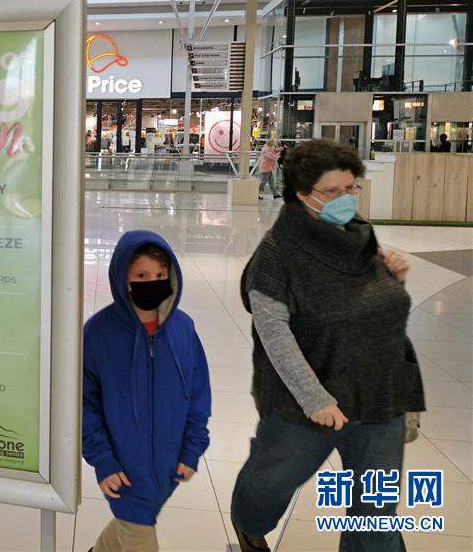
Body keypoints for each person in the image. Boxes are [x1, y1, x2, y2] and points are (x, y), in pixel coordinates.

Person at [230, 139, 425, 552]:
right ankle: (248, 525)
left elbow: (370, 306)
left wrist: (394, 283)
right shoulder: (276, 255)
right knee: (269, 487)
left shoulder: (360, 236)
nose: (345, 198)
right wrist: (314, 398)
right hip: (306, 404)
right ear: (303, 194)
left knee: (376, 518)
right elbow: (274, 332)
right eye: (332, 191)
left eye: (351, 188)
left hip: (379, 398)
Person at [83, 231, 211, 552]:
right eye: (141, 276)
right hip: (124, 468)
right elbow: (83, 404)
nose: (152, 282)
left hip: (169, 463)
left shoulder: (183, 329)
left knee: (130, 522)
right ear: (123, 278)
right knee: (137, 526)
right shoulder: (98, 334)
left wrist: (192, 447)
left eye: (159, 275)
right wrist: (103, 460)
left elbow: (198, 393)